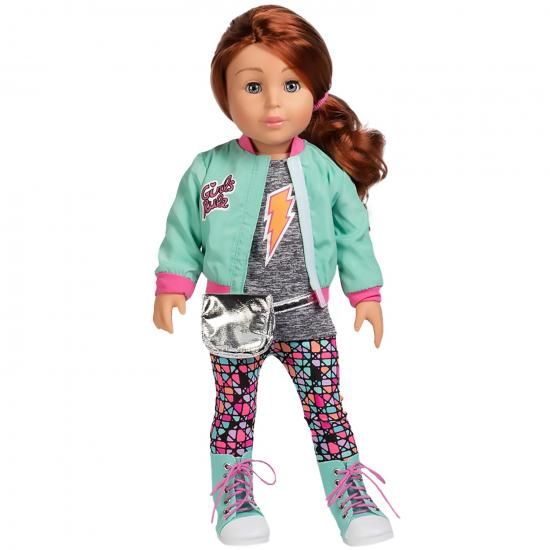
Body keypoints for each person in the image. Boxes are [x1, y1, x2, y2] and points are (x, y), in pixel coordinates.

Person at [153, 4, 399, 546]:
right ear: (225, 95)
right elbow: (183, 229)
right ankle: (234, 500)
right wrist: (173, 284)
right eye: (252, 86)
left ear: (314, 92)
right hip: (233, 311)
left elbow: (354, 234)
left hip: (306, 310)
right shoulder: (209, 167)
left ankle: (350, 497)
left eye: (290, 85)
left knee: (327, 408)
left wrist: (366, 293)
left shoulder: (323, 169)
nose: (272, 103)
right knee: (233, 409)